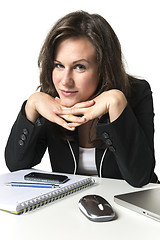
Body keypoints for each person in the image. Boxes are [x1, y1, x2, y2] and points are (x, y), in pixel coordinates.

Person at [5, 10, 158, 187]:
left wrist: (116, 104)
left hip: (129, 207)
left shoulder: (136, 92)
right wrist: (30, 107)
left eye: (79, 67)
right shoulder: (50, 99)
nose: (65, 81)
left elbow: (140, 178)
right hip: (71, 207)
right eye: (59, 65)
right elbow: (16, 166)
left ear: (103, 68)